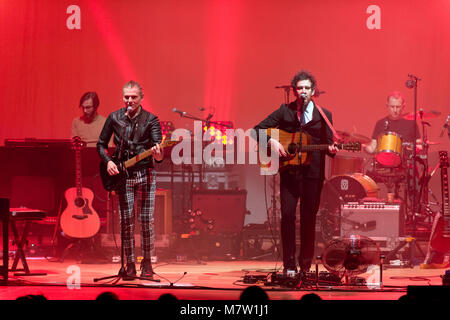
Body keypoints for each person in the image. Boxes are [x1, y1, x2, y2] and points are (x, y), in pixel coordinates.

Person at [253, 70, 338, 277]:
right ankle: (289, 264)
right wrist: (271, 141)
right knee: (288, 217)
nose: (303, 92)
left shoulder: (324, 115)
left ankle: (306, 265)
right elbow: (256, 130)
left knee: (309, 218)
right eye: (299, 88)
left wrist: (332, 150)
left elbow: (329, 145)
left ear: (313, 91)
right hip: (289, 172)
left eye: (307, 88)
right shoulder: (285, 111)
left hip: (313, 174)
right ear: (294, 91)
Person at [97, 80, 163, 280]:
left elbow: (158, 154)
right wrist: (108, 161)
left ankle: (148, 263)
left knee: (146, 221)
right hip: (123, 175)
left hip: (145, 174)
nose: (130, 100)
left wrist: (158, 154)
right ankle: (130, 264)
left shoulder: (151, 120)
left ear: (141, 98)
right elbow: (101, 143)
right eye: (127, 97)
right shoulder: (115, 117)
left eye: (134, 97)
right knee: (126, 221)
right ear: (122, 97)